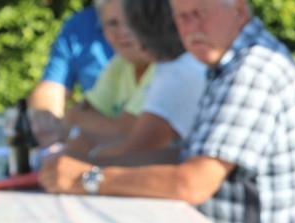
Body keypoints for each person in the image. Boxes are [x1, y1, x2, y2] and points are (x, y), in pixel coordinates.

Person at [37, 0, 295, 223]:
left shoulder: (252, 70)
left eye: (201, 12)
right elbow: (184, 158)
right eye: (181, 17)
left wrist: (88, 178)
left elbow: (192, 183)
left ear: (239, 10)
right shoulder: (229, 63)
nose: (191, 27)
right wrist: (83, 165)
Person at [84, 0, 207, 162]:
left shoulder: (178, 72)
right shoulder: (185, 65)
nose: (123, 32)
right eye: (113, 24)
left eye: (129, 25)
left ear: (141, 41)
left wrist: (85, 155)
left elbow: (133, 154)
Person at [30, 0, 155, 151]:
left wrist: (71, 124)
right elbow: (77, 106)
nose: (123, 30)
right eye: (113, 24)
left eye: (132, 20)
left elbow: (129, 130)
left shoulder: (165, 65)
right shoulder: (121, 62)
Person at [27, 6, 115, 122]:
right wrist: (48, 125)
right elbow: (52, 88)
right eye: (113, 24)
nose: (122, 32)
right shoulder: (79, 24)